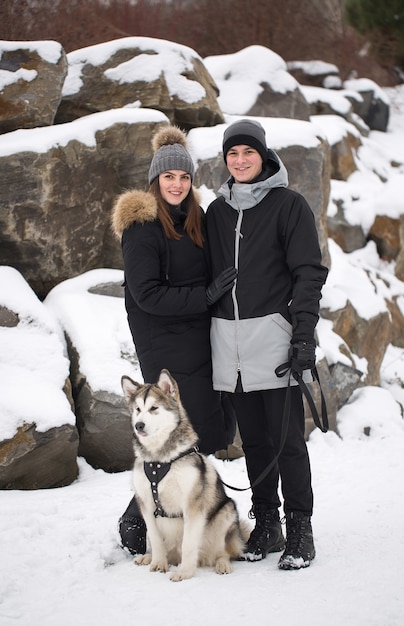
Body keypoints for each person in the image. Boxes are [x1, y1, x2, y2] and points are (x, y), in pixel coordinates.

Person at [205, 119, 328, 570]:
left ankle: (300, 526)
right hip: (228, 346)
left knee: (287, 441)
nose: (239, 161)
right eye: (232, 154)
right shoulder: (216, 213)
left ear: (264, 156)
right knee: (254, 441)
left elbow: (308, 274)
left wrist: (302, 336)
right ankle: (269, 523)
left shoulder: (289, 206)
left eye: (248, 153)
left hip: (273, 343)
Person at [111, 125, 237, 555]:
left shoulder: (192, 218)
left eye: (184, 177)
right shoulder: (142, 227)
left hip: (198, 337)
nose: (177, 184)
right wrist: (204, 296)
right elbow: (146, 295)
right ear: (155, 181)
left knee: (200, 432)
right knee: (182, 436)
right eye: (169, 178)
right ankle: (137, 523)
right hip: (165, 343)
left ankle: (183, 518)